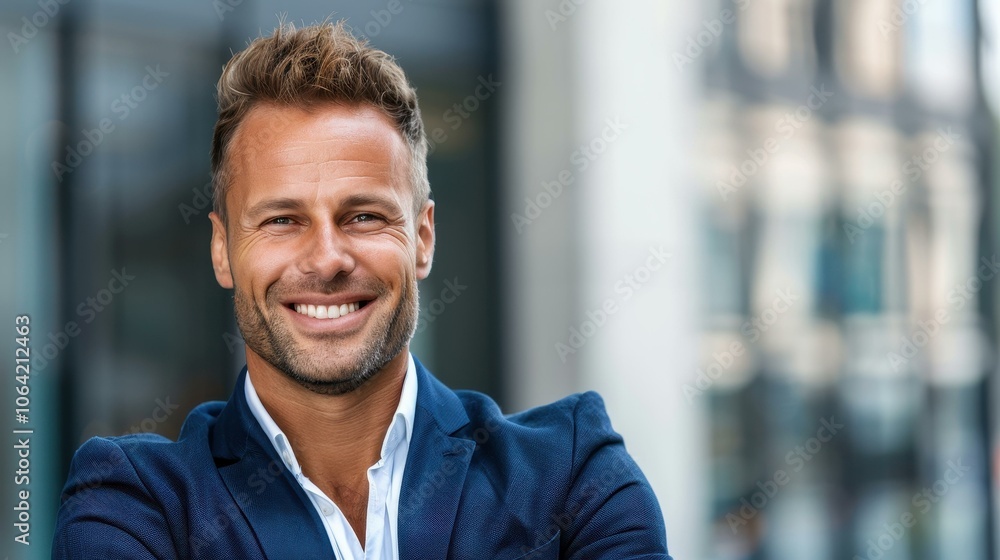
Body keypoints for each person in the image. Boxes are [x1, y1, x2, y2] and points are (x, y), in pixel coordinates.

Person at [52, 21, 672, 560]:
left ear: (423, 238)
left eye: (365, 216)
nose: (327, 259)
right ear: (222, 250)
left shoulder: (572, 473)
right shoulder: (133, 504)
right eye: (281, 220)